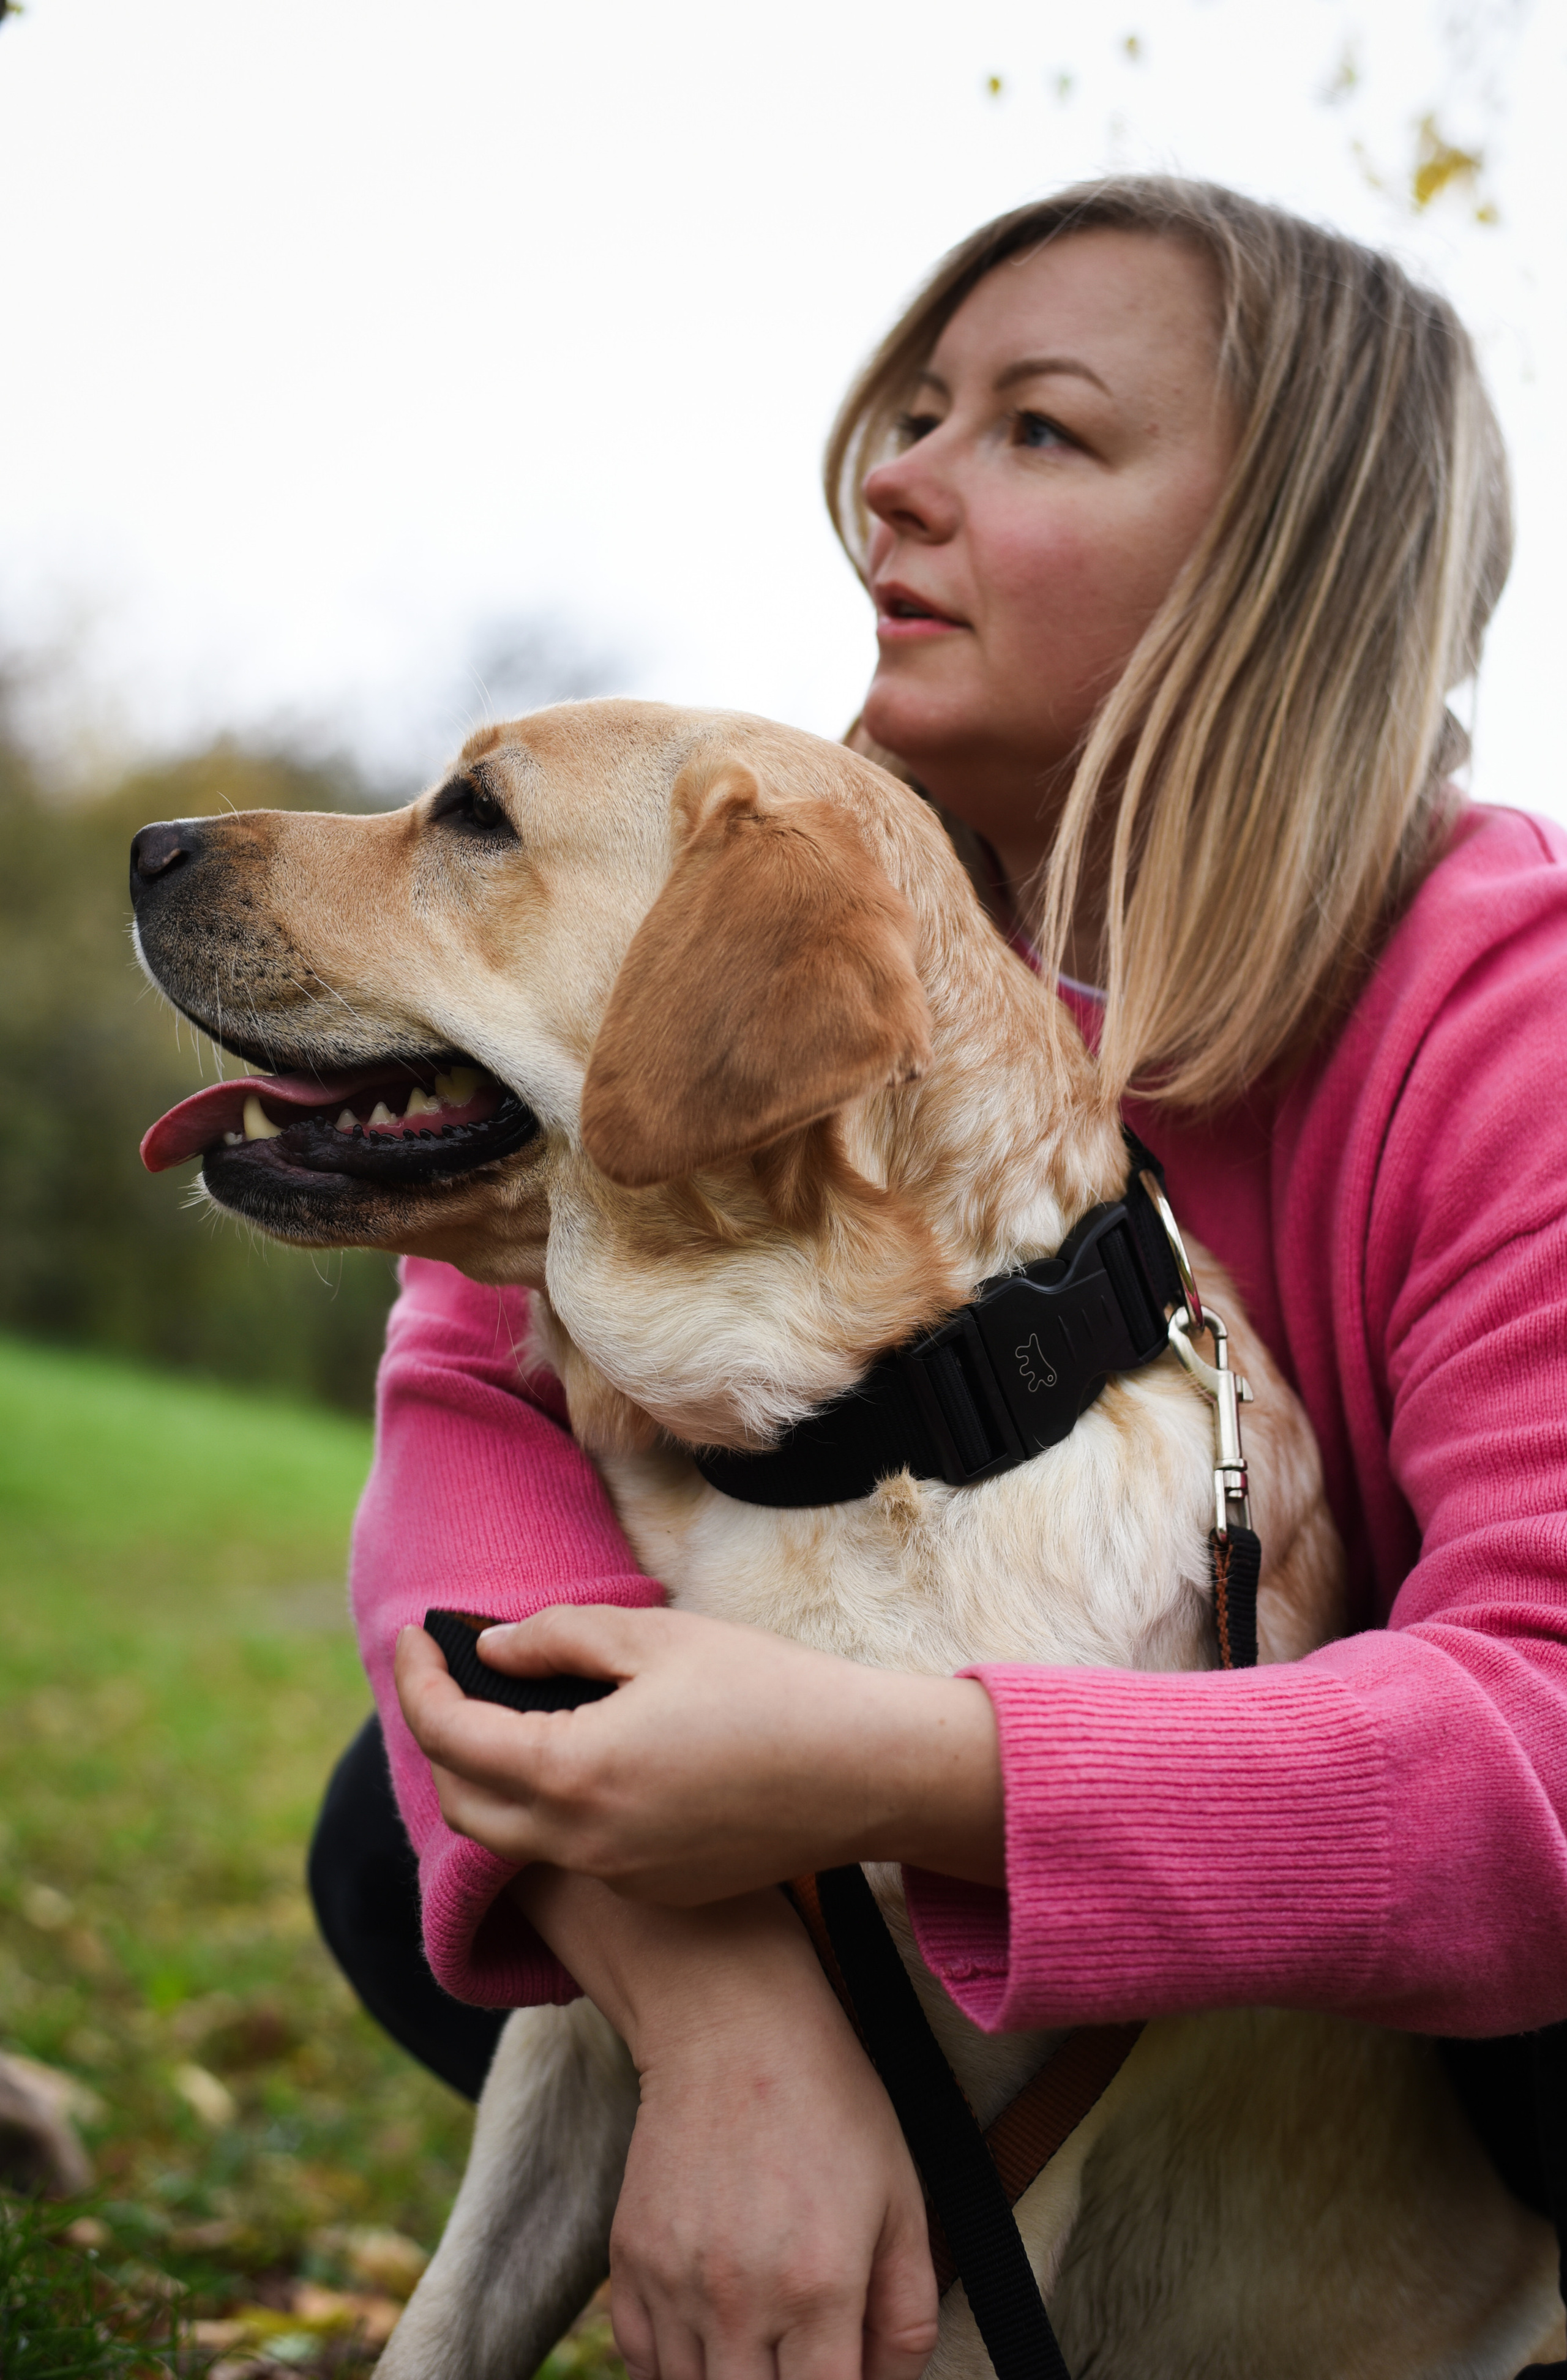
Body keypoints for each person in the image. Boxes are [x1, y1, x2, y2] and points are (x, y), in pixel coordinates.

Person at [310, 176, 1567, 2378]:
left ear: (1284, 575)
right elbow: (470, 1428)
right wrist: (724, 2025)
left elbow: (1541, 1752)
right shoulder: (751, 880)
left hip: (1409, 2031)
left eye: (1038, 428)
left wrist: (898, 1772)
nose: (896, 474)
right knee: (400, 1823)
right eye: (915, 411)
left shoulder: (1504, 1012)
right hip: (952, 1931)